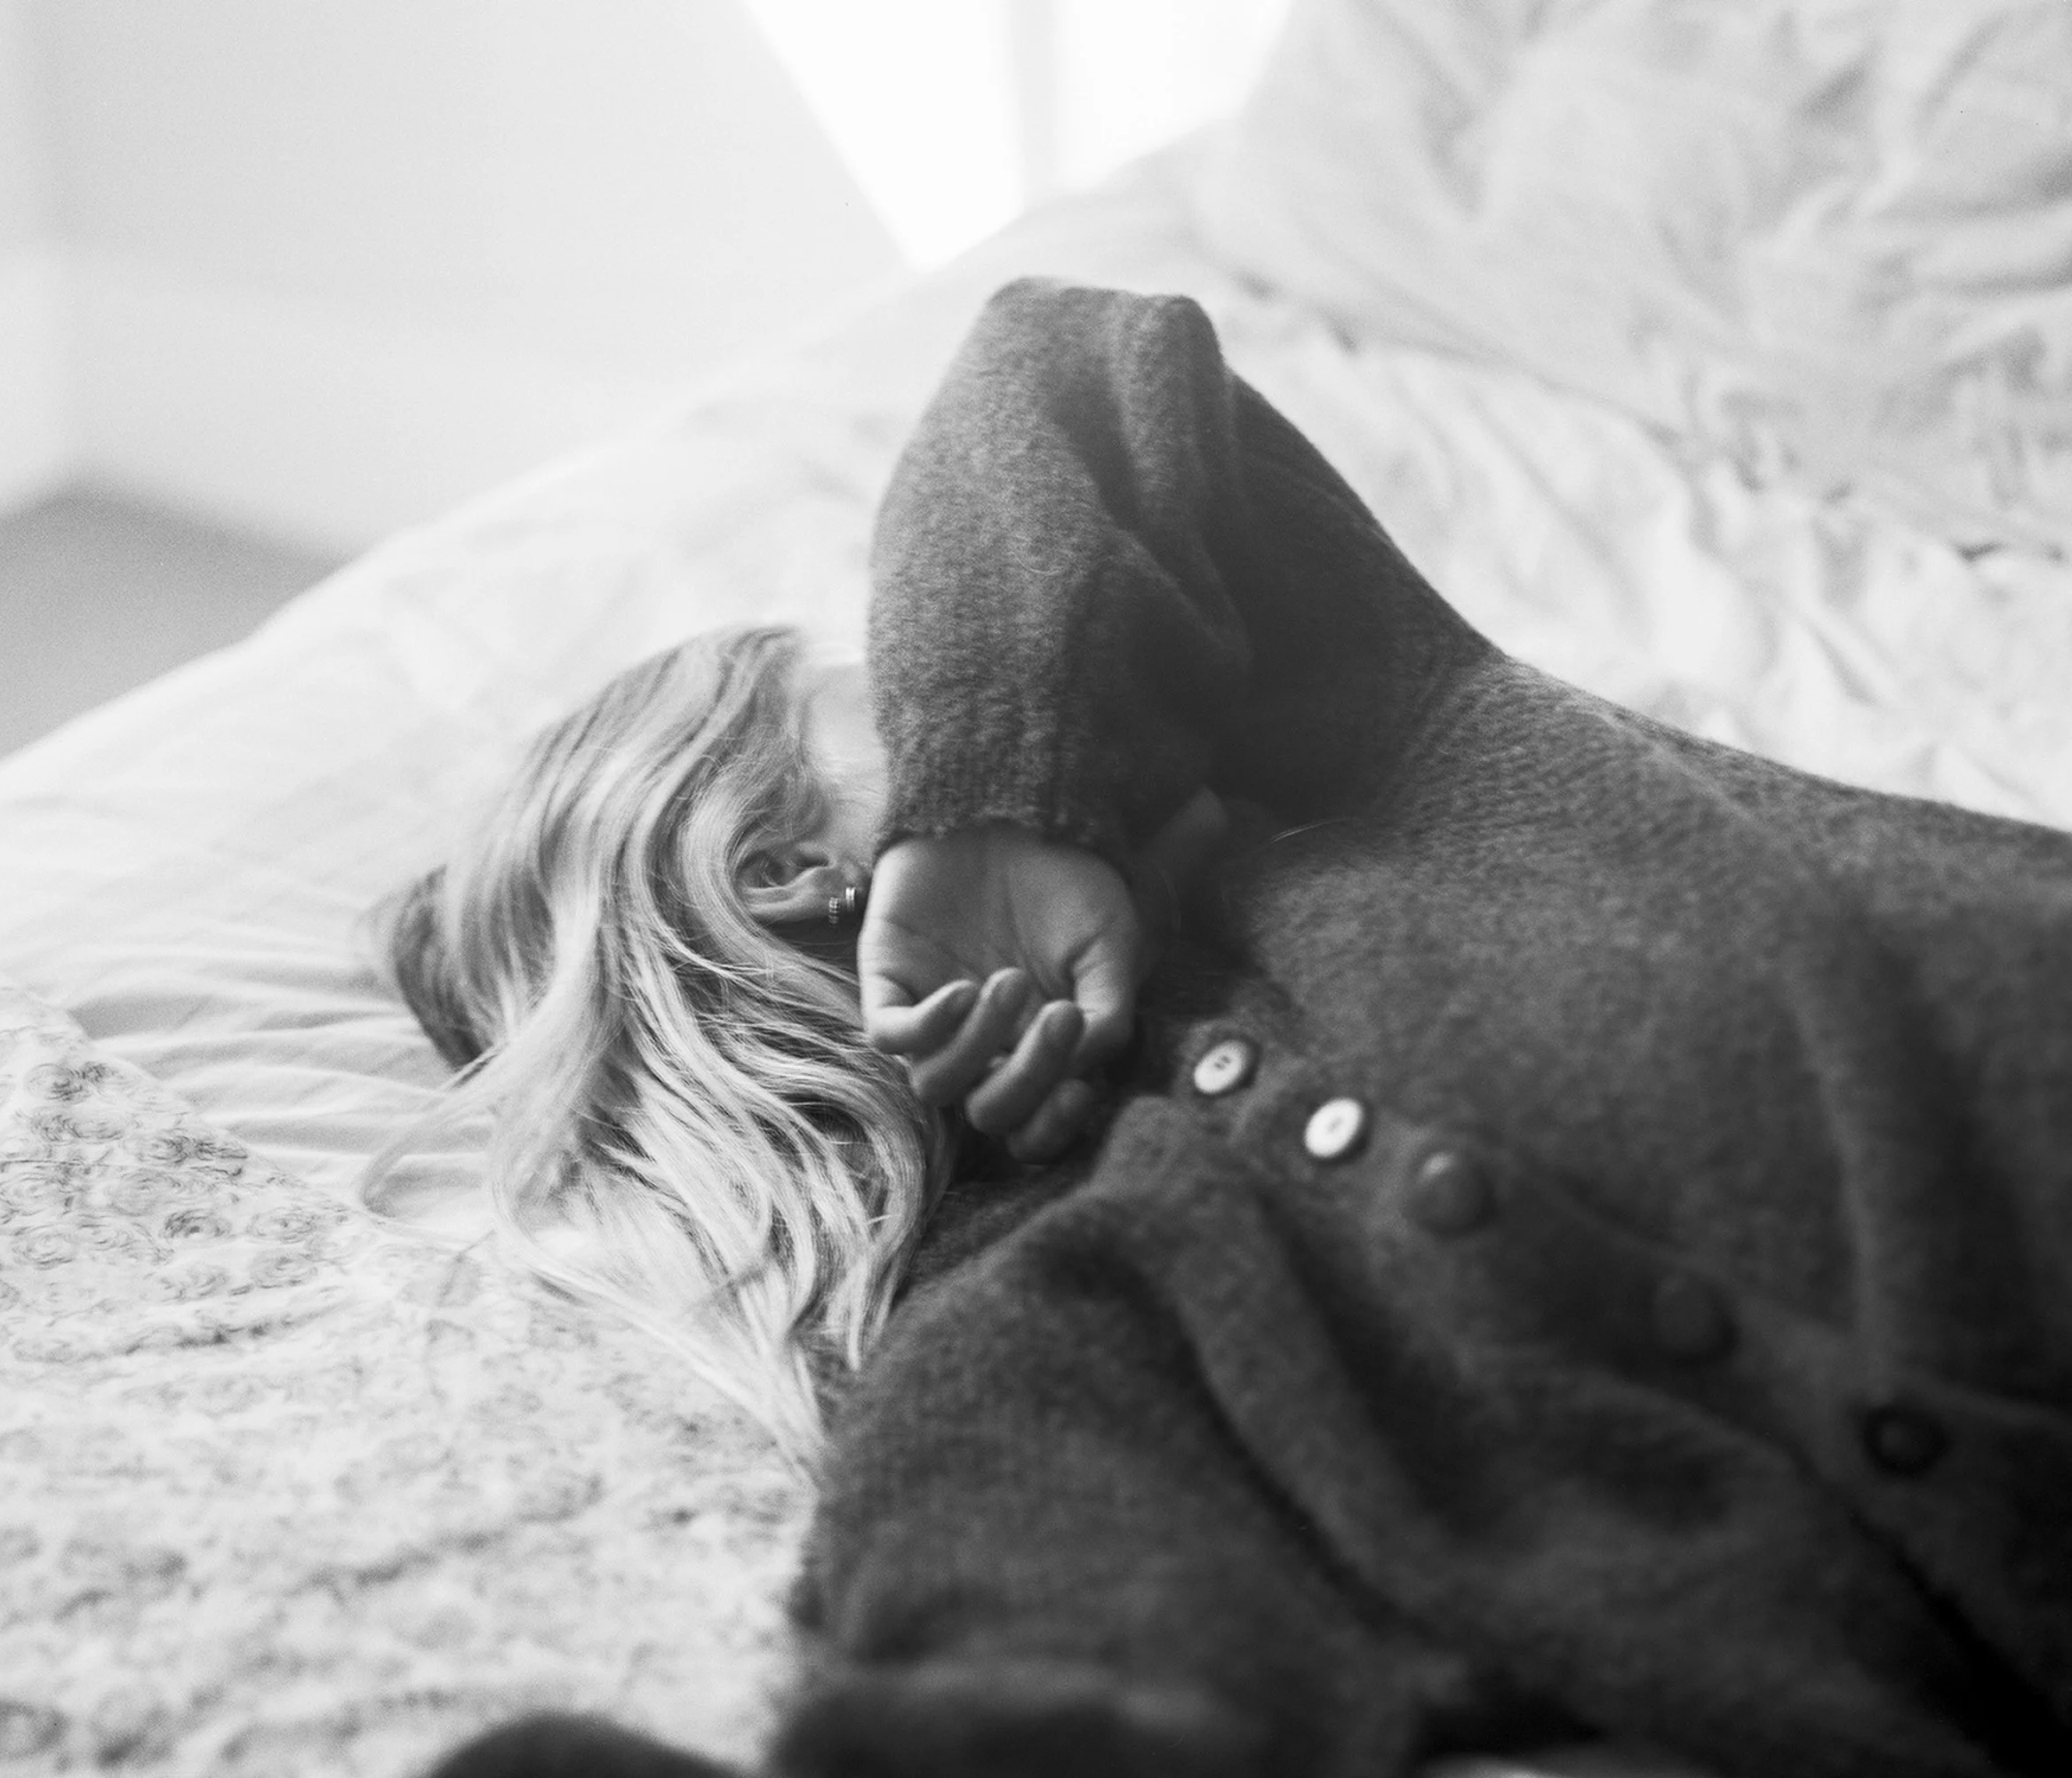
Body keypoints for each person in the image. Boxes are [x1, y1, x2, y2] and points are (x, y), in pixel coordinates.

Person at [392, 282, 2072, 1778]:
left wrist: (1002, 793)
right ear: (784, 865)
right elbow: (1045, 1653)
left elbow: (1068, 366)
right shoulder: (1026, 1308)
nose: (920, 665)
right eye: (883, 684)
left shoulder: (1349, 739)